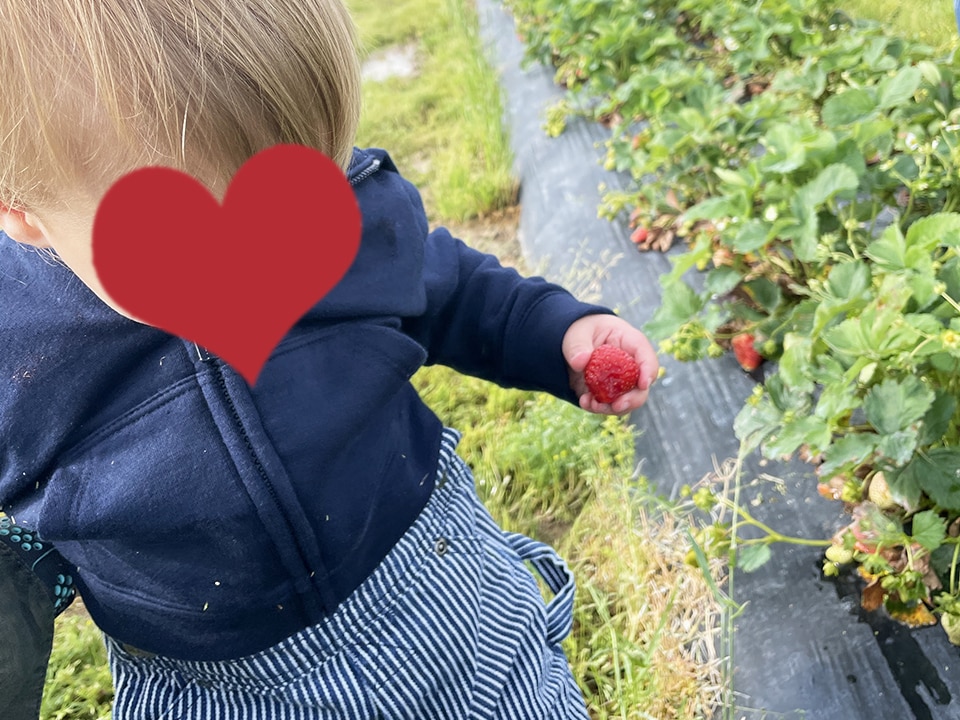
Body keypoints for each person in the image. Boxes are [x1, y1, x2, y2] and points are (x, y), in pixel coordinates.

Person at [0, 1, 659, 718]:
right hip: (215, 681)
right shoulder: (15, 348)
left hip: (437, 587)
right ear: (22, 211)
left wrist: (553, 328)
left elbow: (444, 289)